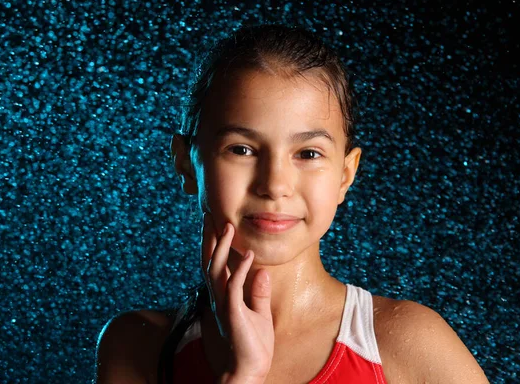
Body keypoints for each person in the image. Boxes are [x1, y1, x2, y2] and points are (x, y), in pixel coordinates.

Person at [94, 24, 490, 384]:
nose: (275, 185)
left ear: (345, 175)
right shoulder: (138, 348)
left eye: (309, 153)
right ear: (186, 162)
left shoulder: (406, 343)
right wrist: (243, 374)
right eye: (242, 149)